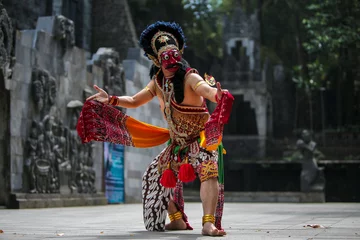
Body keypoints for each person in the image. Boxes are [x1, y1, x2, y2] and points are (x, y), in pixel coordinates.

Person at [77, 21, 234, 236]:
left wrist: (218, 94)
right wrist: (111, 99)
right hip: (177, 144)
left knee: (208, 172)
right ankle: (176, 219)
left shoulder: (191, 77)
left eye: (174, 55)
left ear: (180, 54)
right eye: (166, 57)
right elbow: (133, 100)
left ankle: (208, 223)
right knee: (153, 177)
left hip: (201, 140)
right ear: (157, 61)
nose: (171, 61)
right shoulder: (157, 83)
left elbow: (206, 91)